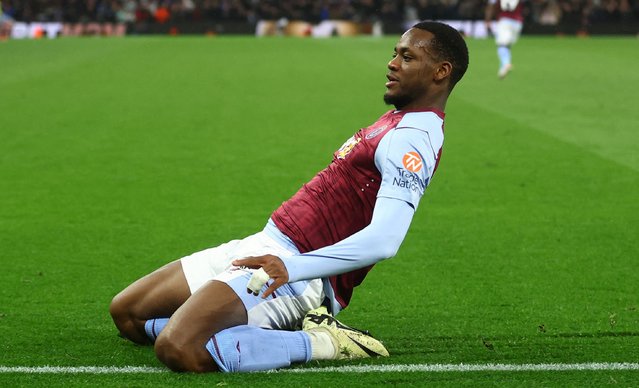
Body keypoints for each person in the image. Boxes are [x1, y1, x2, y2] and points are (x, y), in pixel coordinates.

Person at [109, 20, 469, 373]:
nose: (392, 63)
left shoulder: (413, 138)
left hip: (302, 273)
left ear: (441, 72)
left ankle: (325, 343)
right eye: (395, 54)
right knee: (129, 313)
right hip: (268, 244)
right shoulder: (399, 119)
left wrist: (293, 268)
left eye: (407, 57)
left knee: (178, 347)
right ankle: (243, 331)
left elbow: (384, 241)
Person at [485, 0, 524, 79]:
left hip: (504, 21)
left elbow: (491, 6)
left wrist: (488, 20)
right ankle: (502, 67)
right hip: (518, 23)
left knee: (501, 45)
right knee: (507, 46)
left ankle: (506, 64)